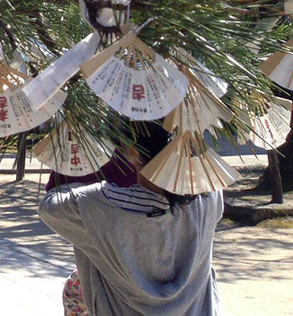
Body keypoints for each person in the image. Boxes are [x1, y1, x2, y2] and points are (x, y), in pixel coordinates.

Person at [39, 121, 223, 316]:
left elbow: (50, 206)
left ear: (132, 151)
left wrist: (82, 154)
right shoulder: (209, 195)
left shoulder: (97, 206)